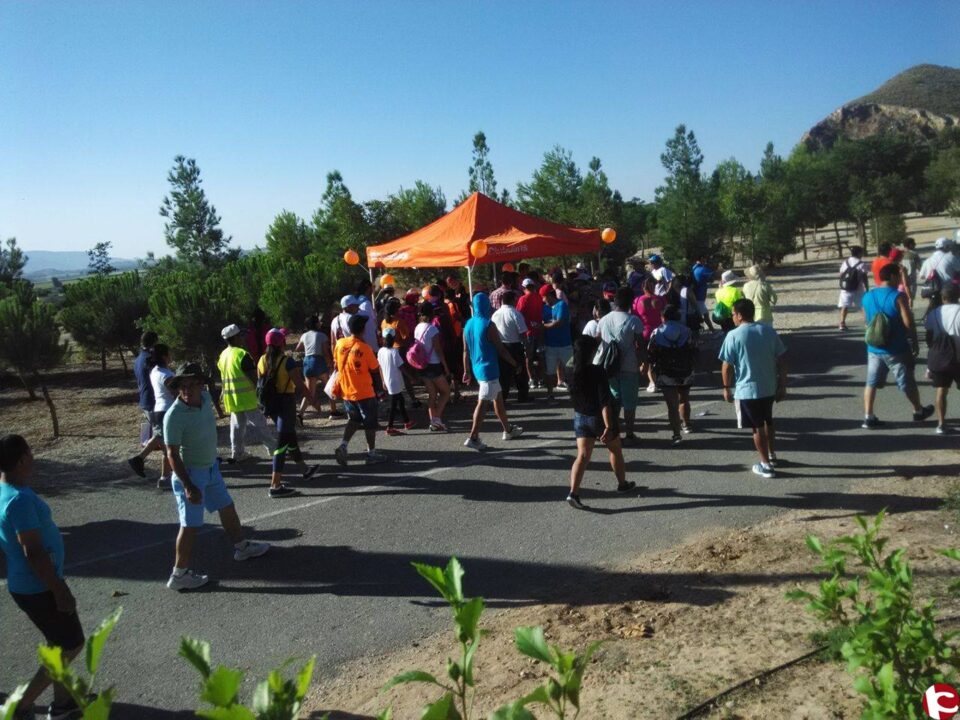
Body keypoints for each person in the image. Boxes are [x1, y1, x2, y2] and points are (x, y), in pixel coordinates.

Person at [163, 363, 270, 590]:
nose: (187, 390)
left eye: (192, 384)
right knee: (190, 525)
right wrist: (189, 486)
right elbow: (171, 453)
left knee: (227, 507)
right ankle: (179, 574)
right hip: (191, 475)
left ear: (200, 385)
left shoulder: (205, 399)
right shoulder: (174, 416)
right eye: (183, 385)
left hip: (211, 469)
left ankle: (242, 547)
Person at [1, 435, 87, 719]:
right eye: (30, 452)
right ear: (23, 459)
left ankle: (64, 704)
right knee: (72, 643)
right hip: (38, 586)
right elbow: (34, 552)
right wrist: (59, 589)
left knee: (57, 642)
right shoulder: (19, 499)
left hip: (26, 585)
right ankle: (20, 705)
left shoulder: (5, 490)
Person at [719, 299, 788, 478]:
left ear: (740, 315)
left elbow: (726, 365)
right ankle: (771, 455)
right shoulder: (767, 331)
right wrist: (782, 384)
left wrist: (726, 387)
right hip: (769, 386)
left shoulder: (733, 335)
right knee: (768, 421)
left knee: (757, 427)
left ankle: (765, 464)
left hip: (747, 389)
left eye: (733, 314)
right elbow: (781, 359)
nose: (732, 317)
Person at [861, 264, 934, 429]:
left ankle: (868, 416)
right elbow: (908, 323)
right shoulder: (898, 296)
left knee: (871, 382)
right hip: (896, 348)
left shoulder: (867, 296)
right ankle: (918, 410)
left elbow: (866, 321)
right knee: (906, 380)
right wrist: (914, 341)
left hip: (874, 347)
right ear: (893, 276)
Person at [566, 336, 635, 508]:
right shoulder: (597, 372)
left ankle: (573, 493)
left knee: (582, 456)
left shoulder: (570, 372)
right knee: (615, 450)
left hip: (580, 417)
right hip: (598, 418)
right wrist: (609, 426)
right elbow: (605, 403)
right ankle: (622, 484)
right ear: (591, 353)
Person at [257, 328, 321, 497]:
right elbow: (300, 386)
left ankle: (305, 470)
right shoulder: (287, 362)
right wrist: (313, 400)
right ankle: (275, 485)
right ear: (282, 343)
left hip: (271, 405)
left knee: (289, 436)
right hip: (286, 403)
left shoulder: (261, 361)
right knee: (282, 444)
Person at [462, 293, 524, 450]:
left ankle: (507, 429)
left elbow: (465, 351)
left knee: (498, 399)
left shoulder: (468, 324)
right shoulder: (488, 324)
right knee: (483, 403)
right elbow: (501, 349)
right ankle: (473, 437)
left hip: (477, 368)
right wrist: (515, 363)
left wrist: (466, 370)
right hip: (489, 368)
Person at [217, 324, 275, 466]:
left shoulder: (223, 355)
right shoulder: (241, 354)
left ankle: (237, 453)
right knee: (260, 425)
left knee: (236, 427)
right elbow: (253, 377)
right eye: (241, 335)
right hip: (246, 397)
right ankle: (274, 449)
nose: (243, 338)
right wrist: (261, 392)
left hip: (232, 398)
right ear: (236, 337)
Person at [333, 314, 387, 465]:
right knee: (370, 423)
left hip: (346, 392)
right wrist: (380, 389)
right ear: (363, 329)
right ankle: (371, 453)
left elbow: (336, 363)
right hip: (364, 392)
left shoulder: (340, 344)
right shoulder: (364, 348)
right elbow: (375, 369)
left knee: (354, 419)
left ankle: (343, 445)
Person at [598, 287, 645, 443]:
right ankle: (629, 433)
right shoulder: (633, 320)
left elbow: (599, 341)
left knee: (613, 400)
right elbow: (640, 344)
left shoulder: (604, 320)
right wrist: (642, 363)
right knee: (630, 403)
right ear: (630, 302)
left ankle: (614, 430)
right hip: (629, 366)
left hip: (608, 367)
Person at [648, 306, 696, 443]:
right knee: (684, 399)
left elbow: (651, 352)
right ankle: (686, 424)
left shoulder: (657, 332)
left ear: (663, 317)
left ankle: (676, 434)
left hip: (666, 372)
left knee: (671, 405)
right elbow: (693, 348)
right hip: (684, 370)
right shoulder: (686, 331)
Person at [127, 331, 164, 480]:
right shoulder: (151, 359)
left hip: (145, 400)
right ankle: (139, 458)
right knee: (161, 433)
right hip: (154, 401)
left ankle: (171, 462)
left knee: (161, 433)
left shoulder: (137, 359)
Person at [925, 284, 960, 434]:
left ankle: (941, 424)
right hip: (958, 357)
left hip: (940, 357)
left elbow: (929, 336)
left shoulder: (933, 314)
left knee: (941, 391)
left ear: (943, 298)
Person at [414, 303, 452, 432]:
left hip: (422, 363)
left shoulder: (418, 327)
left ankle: (433, 421)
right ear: (432, 314)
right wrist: (446, 366)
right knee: (446, 392)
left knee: (432, 394)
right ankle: (436, 419)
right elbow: (438, 349)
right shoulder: (432, 329)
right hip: (434, 363)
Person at [295, 315, 338, 423]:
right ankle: (333, 412)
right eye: (318, 322)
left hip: (307, 362)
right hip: (319, 361)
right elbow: (325, 352)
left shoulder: (304, 335)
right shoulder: (322, 335)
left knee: (309, 392)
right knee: (329, 387)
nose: (320, 323)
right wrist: (330, 364)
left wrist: (307, 347)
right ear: (315, 324)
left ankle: (300, 414)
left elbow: (297, 348)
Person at [491, 290, 530, 402]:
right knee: (520, 371)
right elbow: (522, 332)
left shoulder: (495, 314)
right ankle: (523, 396)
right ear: (513, 300)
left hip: (500, 345)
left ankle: (502, 397)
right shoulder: (515, 313)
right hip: (515, 345)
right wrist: (526, 346)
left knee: (504, 374)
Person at [148, 343, 175, 489]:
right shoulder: (166, 374)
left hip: (158, 409)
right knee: (172, 447)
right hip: (168, 410)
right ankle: (170, 476)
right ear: (165, 356)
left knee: (166, 447)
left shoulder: (154, 371)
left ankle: (165, 477)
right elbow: (175, 392)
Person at [378, 328, 413, 435]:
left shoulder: (380, 351)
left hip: (388, 381)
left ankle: (407, 421)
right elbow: (401, 366)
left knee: (400, 400)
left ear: (383, 339)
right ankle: (390, 426)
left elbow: (380, 367)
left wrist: (383, 380)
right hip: (396, 382)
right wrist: (411, 377)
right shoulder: (394, 352)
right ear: (394, 339)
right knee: (393, 405)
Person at [542, 287, 573, 399]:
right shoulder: (544, 308)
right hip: (550, 345)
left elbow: (559, 322)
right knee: (550, 371)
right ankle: (550, 394)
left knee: (570, 369)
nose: (543, 299)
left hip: (565, 344)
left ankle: (574, 392)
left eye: (544, 297)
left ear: (549, 296)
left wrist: (543, 326)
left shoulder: (562, 305)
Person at [517, 277, 545, 387]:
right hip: (539, 330)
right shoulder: (539, 297)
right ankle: (541, 378)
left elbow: (518, 315)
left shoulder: (523, 299)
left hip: (528, 332)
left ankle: (532, 379)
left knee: (529, 357)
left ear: (524, 288)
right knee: (540, 355)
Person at [838, 246, 868, 331]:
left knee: (844, 306)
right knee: (862, 306)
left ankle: (842, 323)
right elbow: (864, 278)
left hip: (845, 288)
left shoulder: (845, 262)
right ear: (859, 253)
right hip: (858, 288)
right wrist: (867, 288)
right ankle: (867, 323)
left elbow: (840, 274)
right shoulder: (861, 263)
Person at [691, 255, 716, 331]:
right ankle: (712, 330)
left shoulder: (693, 268)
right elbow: (712, 277)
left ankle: (701, 329)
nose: (705, 261)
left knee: (698, 313)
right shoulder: (702, 269)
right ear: (701, 258)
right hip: (699, 295)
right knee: (705, 314)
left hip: (695, 294)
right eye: (704, 259)